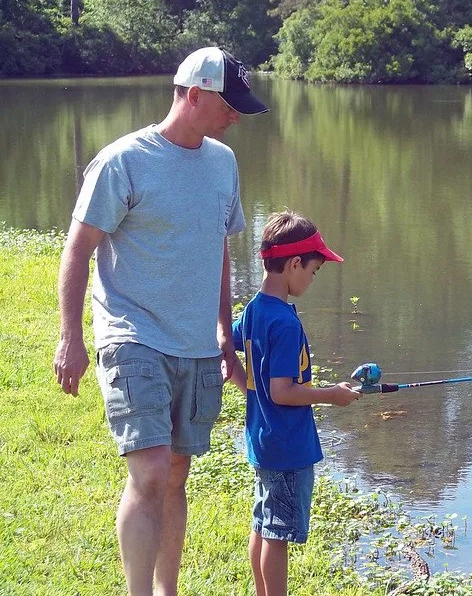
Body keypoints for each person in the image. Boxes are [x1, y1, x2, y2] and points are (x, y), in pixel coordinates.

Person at [52, 47, 269, 596]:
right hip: (133, 335)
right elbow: (78, 248)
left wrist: (225, 335)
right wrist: (70, 338)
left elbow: (219, 251)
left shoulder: (223, 163)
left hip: (196, 345)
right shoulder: (124, 160)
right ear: (194, 94)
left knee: (175, 474)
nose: (236, 115)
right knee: (149, 471)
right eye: (229, 104)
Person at [229, 210, 359, 596]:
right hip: (286, 446)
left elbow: (226, 348)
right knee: (276, 535)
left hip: (264, 440)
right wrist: (331, 396)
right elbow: (283, 391)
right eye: (314, 271)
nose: (313, 279)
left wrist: (247, 387)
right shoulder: (284, 323)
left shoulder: (255, 310)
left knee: (263, 525)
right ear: (295, 264)